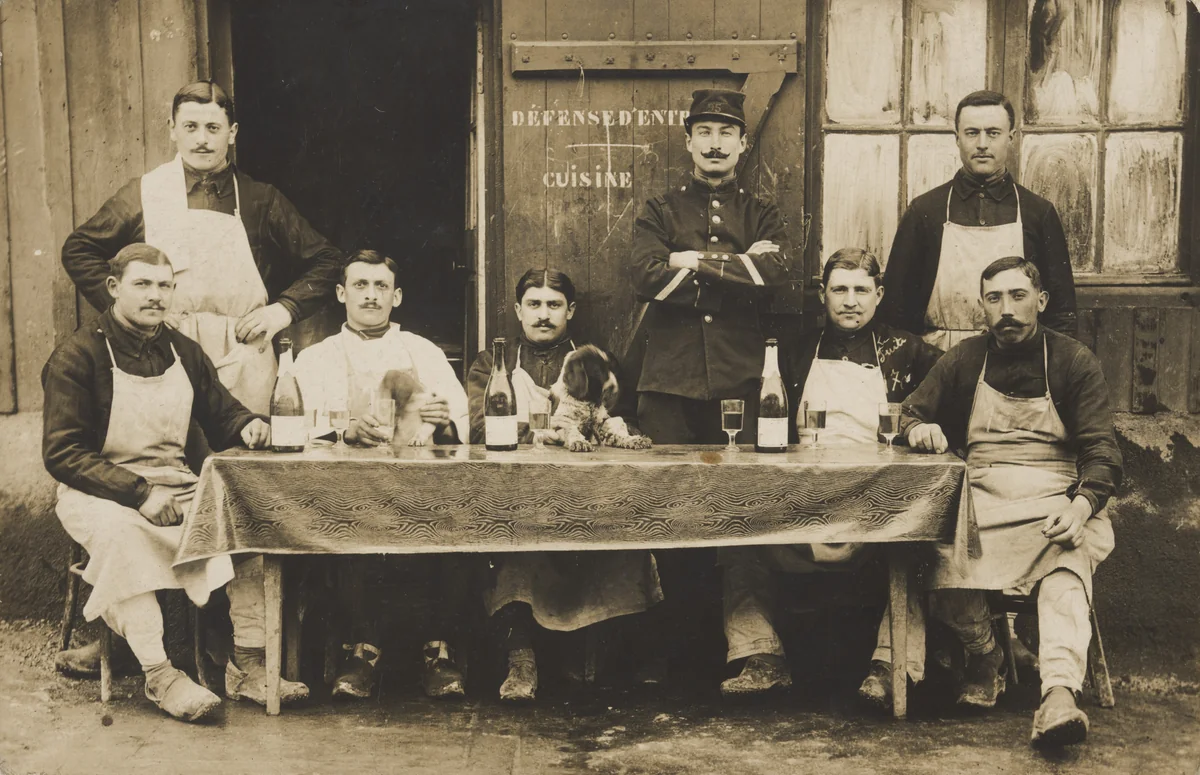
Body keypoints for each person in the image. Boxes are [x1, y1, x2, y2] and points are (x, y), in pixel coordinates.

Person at [57, 80, 342, 677]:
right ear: (172, 130)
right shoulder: (145, 193)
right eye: (191, 126)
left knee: (235, 493)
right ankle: (137, 641)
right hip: (162, 345)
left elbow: (325, 261)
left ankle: (239, 649)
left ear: (232, 135)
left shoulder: (259, 198)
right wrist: (131, 308)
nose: (202, 139)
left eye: (214, 127)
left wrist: (280, 310)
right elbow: (80, 248)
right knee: (156, 493)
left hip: (239, 354)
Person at [41, 244, 310, 722]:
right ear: (113, 287)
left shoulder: (181, 349)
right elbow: (62, 453)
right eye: (143, 284)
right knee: (122, 537)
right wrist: (139, 494)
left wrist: (247, 424)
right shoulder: (77, 356)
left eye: (165, 285)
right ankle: (160, 674)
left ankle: (247, 665)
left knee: (247, 519)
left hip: (177, 483)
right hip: (99, 491)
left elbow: (220, 410)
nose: (156, 296)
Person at [900, 256, 1121, 747]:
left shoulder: (1073, 360)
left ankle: (1059, 694)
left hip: (1055, 498)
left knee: (1068, 560)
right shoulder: (963, 358)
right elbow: (911, 412)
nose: (1007, 309)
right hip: (980, 497)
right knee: (929, 548)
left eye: (1018, 296)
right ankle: (985, 653)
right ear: (983, 306)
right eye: (995, 298)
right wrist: (921, 428)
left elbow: (1103, 453)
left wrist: (1081, 506)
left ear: (1040, 301)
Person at [719, 248, 943, 697]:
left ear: (879, 295)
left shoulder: (907, 350)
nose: (850, 301)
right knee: (736, 538)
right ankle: (762, 655)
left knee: (919, 545)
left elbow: (956, 384)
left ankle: (890, 667)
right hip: (802, 493)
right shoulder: (797, 351)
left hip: (876, 495)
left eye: (862, 290)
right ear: (823, 294)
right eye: (839, 289)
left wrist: (929, 425)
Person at [466, 269, 661, 701]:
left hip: (588, 498)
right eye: (533, 305)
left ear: (570, 310)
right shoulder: (491, 362)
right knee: (506, 543)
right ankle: (520, 658)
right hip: (516, 500)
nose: (543, 315)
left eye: (554, 305)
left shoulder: (598, 360)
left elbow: (620, 421)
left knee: (624, 546)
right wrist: (537, 434)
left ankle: (597, 655)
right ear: (517, 310)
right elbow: (478, 428)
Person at [291, 249, 472, 699]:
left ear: (397, 297)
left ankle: (438, 652)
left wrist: (441, 419)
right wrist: (345, 430)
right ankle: (361, 651)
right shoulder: (313, 359)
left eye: (381, 287)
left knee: (453, 527)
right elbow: (295, 428)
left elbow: (460, 424)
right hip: (345, 490)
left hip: (423, 490)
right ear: (340, 293)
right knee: (352, 529)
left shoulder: (424, 352)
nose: (371, 296)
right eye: (360, 285)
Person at [631, 88, 791, 444]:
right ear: (689, 142)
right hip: (669, 384)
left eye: (726, 133)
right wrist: (741, 264)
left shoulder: (762, 213)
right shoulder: (659, 210)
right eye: (704, 132)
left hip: (741, 381)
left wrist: (688, 260)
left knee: (742, 494)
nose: (714, 144)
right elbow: (646, 277)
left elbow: (774, 273)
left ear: (743, 142)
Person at [880, 90, 1077, 350]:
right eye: (972, 133)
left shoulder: (1037, 213)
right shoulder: (925, 211)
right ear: (957, 138)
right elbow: (895, 310)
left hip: (1017, 359)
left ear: (1011, 138)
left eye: (993, 133)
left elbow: (1062, 312)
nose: (982, 143)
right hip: (938, 360)